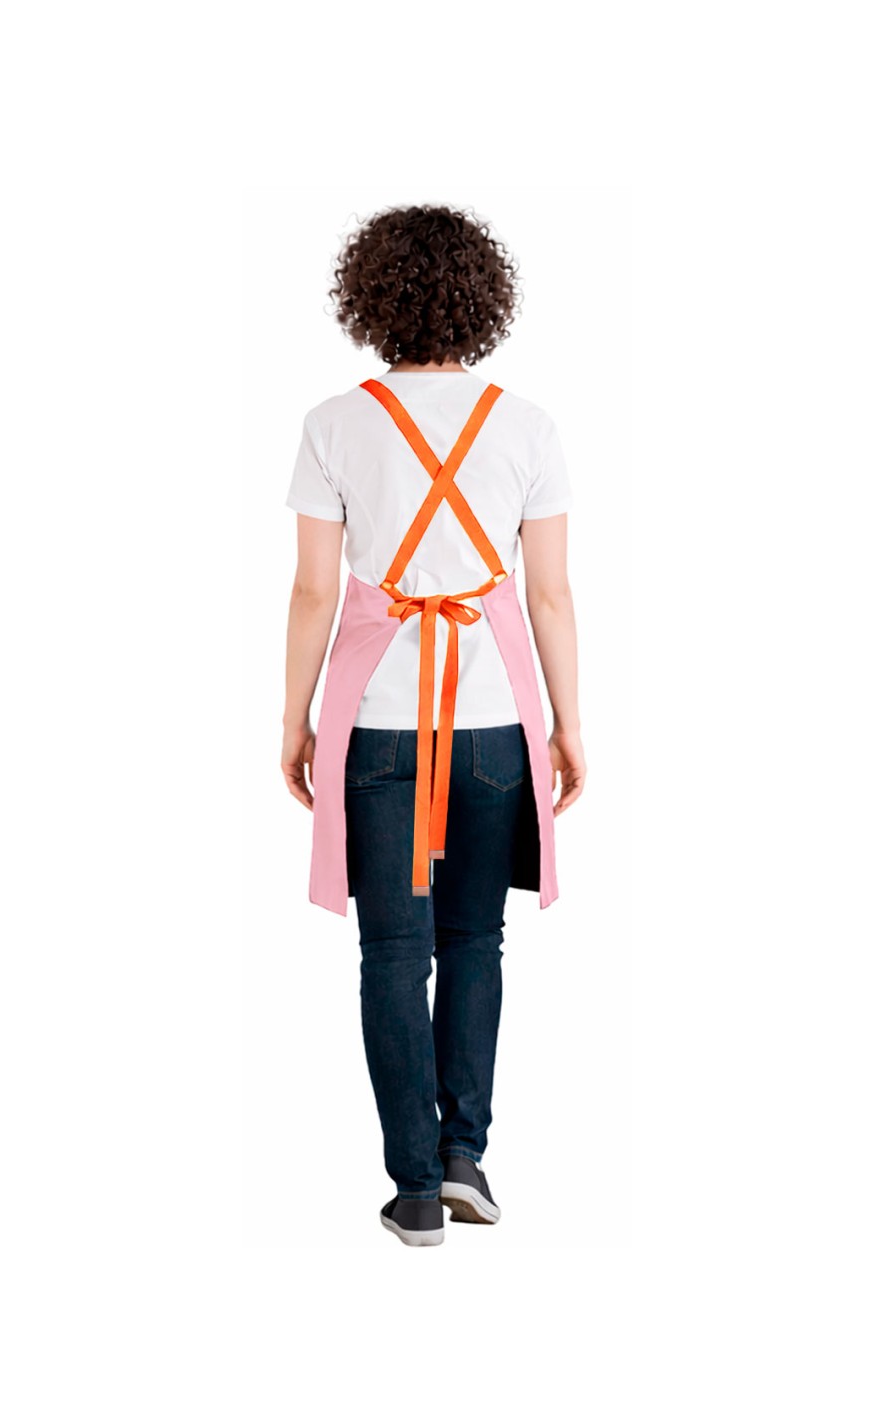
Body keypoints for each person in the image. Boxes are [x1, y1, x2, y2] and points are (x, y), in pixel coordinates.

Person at [280, 203, 585, 1247]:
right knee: (473, 941)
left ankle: (414, 1191)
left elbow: (313, 593)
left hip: (376, 727)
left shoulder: (334, 422)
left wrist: (294, 720)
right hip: (496, 725)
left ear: (368, 299)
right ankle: (465, 1159)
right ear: (480, 299)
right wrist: (569, 724)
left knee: (390, 952)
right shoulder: (525, 424)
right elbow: (550, 595)